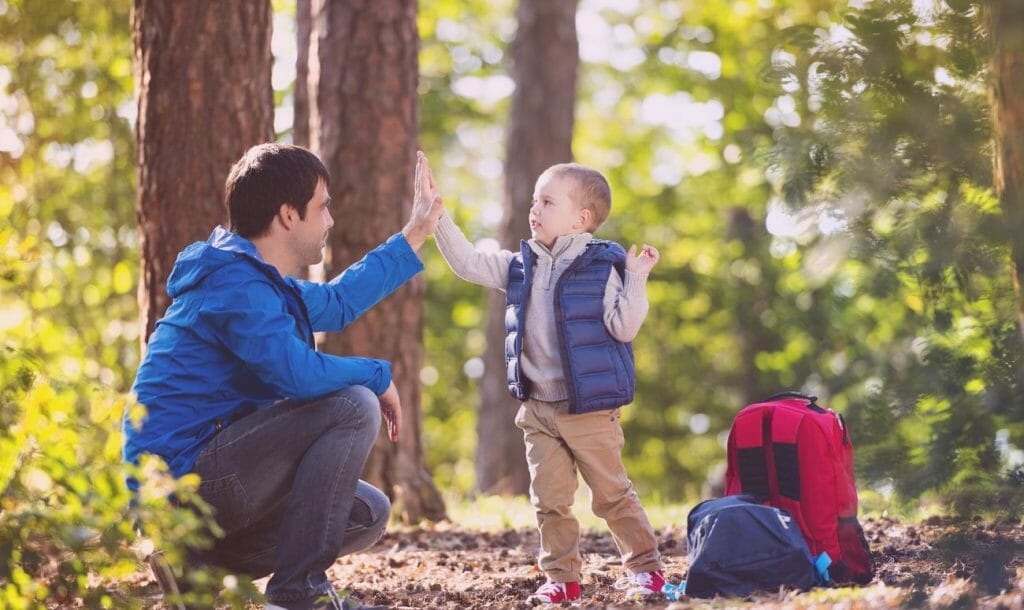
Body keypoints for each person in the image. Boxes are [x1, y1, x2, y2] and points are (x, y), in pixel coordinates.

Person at [123, 143, 443, 610]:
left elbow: (337, 303)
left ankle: (195, 570)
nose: (330, 220)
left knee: (365, 512)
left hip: (201, 485)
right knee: (353, 404)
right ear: (289, 215)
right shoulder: (237, 286)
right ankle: (298, 594)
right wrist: (377, 374)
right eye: (323, 207)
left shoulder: (255, 281)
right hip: (179, 488)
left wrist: (415, 233)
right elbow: (297, 374)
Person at [432, 161, 665, 603]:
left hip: (589, 409)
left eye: (547, 201)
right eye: (534, 200)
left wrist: (636, 277)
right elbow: (466, 263)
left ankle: (646, 569)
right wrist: (438, 215)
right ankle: (562, 578)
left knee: (612, 495)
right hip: (539, 410)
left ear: (581, 219)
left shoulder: (604, 267)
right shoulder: (519, 267)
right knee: (550, 502)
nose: (534, 208)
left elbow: (624, 327)